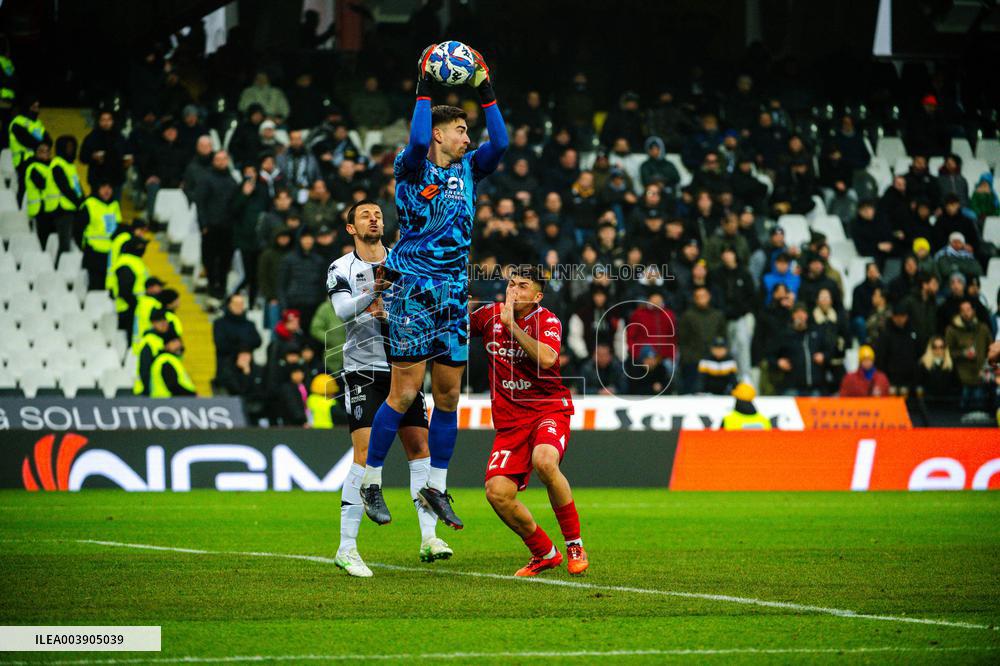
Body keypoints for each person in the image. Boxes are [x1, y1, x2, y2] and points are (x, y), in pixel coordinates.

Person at [359, 46, 507, 530]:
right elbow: (419, 138)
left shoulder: (470, 169)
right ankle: (371, 481)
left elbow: (501, 144)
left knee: (448, 397)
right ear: (441, 133)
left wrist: (485, 90)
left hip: (451, 292)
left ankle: (435, 489)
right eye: (461, 130)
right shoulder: (413, 163)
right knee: (404, 393)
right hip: (413, 289)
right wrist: (424, 85)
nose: (469, 137)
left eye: (468, 129)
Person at [327, 200, 450, 577]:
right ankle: (347, 548)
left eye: (378, 213)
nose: (374, 217)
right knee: (363, 455)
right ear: (351, 228)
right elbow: (343, 312)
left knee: (420, 449)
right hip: (365, 370)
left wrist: (396, 310)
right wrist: (373, 295)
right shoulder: (341, 267)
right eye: (365, 214)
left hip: (405, 369)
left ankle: (429, 538)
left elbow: (426, 307)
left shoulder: (404, 260)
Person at [471, 266, 588, 577]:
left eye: (522, 286)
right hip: (510, 422)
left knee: (545, 461)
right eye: (511, 284)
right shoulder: (490, 315)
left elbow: (548, 358)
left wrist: (512, 328)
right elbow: (451, 325)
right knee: (497, 492)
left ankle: (574, 544)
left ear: (537, 297)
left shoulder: (546, 320)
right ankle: (544, 553)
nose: (514, 290)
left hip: (547, 409)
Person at [195, 150, 240, 299]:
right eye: (218, 159)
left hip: (228, 227)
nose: (221, 162)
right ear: (213, 161)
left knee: (226, 259)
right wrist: (203, 224)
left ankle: (222, 285)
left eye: (224, 159)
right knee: (210, 258)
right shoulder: (206, 178)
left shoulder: (232, 179)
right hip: (211, 226)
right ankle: (211, 284)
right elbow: (200, 203)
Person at [677, 285, 726, 394]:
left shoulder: (717, 316)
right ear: (694, 299)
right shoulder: (687, 316)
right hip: (693, 361)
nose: (702, 299)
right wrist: (688, 357)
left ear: (709, 297)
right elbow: (682, 340)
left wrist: (718, 353)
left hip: (714, 360)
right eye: (698, 296)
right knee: (690, 391)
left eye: (704, 296)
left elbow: (723, 337)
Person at [945, 300, 992, 411]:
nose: (966, 313)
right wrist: (963, 353)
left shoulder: (983, 328)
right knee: (961, 413)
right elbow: (947, 352)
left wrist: (987, 369)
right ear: (959, 313)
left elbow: (991, 350)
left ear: (973, 311)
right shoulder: (952, 330)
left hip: (979, 376)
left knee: (979, 414)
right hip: (961, 379)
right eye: (963, 310)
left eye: (968, 310)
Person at [278, 228, 327, 329]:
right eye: (304, 238)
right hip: (294, 305)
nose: (308, 241)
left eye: (310, 238)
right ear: (299, 240)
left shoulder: (319, 260)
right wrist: (284, 306)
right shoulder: (288, 259)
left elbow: (323, 285)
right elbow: (281, 285)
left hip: (314, 305)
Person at [77, 179, 121, 290]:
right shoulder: (89, 204)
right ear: (98, 189)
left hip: (111, 254)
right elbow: (78, 228)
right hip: (94, 253)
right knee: (95, 288)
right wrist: (83, 246)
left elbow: (118, 227)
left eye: (110, 188)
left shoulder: (115, 205)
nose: (107, 191)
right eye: (104, 187)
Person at [8, 94, 49, 205]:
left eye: (37, 107)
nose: (36, 110)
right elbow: (26, 140)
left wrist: (42, 146)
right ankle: (20, 209)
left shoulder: (38, 123)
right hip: (23, 161)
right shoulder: (17, 122)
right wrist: (41, 146)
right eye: (33, 107)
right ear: (27, 107)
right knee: (24, 187)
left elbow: (49, 140)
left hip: (39, 160)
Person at [80, 110, 130, 199]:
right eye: (103, 120)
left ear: (113, 121)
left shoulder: (120, 137)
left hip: (116, 180)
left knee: (114, 210)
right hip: (97, 181)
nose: (106, 123)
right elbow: (82, 157)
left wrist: (126, 163)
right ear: (99, 121)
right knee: (97, 209)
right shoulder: (91, 137)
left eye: (108, 120)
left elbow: (126, 155)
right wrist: (93, 157)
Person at [48, 135, 84, 256]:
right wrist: (79, 202)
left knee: (73, 243)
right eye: (68, 146)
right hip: (62, 209)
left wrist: (83, 201)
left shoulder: (70, 166)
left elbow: (77, 187)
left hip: (71, 208)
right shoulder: (57, 164)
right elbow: (65, 187)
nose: (70, 149)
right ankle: (60, 270)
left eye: (72, 146)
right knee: (65, 245)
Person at [109, 238, 149, 345]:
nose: (144, 249)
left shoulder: (133, 261)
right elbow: (124, 291)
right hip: (129, 309)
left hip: (133, 308)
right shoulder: (126, 263)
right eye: (141, 246)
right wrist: (136, 304)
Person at [213, 293, 262, 372]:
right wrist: (242, 348)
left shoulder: (249, 324)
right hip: (226, 369)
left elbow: (257, 341)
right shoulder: (220, 324)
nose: (239, 306)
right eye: (236, 304)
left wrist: (242, 348)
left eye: (241, 303)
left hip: (247, 368)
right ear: (229, 305)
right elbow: (221, 344)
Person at [218, 347, 268, 422]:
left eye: (247, 355)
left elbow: (259, 390)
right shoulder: (230, 372)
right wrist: (246, 373)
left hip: (255, 403)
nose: (245, 358)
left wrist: (247, 371)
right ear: (237, 357)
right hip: (236, 404)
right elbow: (239, 390)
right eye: (242, 355)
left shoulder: (257, 370)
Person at [24, 140, 57, 248]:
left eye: (47, 151)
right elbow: (42, 184)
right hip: (41, 209)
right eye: (41, 151)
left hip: (52, 207)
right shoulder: (33, 167)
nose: (45, 154)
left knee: (53, 240)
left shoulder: (52, 167)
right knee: (44, 240)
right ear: (36, 153)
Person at [133, 308, 170, 396]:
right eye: (160, 321)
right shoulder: (149, 341)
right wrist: (147, 389)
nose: (164, 324)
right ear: (153, 323)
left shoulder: (159, 340)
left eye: (165, 321)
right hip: (149, 391)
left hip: (156, 390)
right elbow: (144, 367)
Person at [915, 336, 960, 406]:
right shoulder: (923, 364)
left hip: (947, 405)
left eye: (941, 347)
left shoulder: (951, 364)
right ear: (930, 348)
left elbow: (956, 385)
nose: (938, 350)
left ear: (945, 348)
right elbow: (918, 385)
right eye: (935, 347)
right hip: (929, 404)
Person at [149, 332, 196, 397]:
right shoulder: (165, 360)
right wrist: (192, 395)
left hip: (168, 402)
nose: (178, 344)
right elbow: (173, 386)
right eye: (173, 342)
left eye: (179, 341)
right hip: (167, 402)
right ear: (166, 345)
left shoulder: (172, 360)